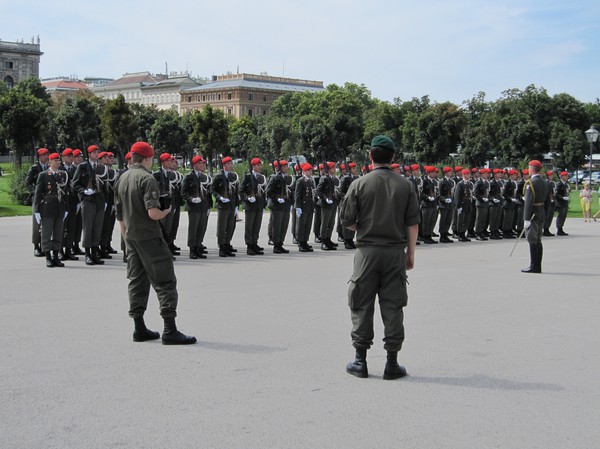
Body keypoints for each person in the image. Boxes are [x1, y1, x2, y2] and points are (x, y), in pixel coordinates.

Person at [340, 135, 420, 380]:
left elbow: (347, 220)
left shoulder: (359, 184)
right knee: (393, 306)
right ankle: (391, 363)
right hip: (394, 252)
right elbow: (412, 223)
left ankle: (360, 361)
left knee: (361, 304)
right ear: (393, 157)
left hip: (367, 253)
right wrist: (410, 253)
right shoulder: (406, 185)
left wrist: (364, 228)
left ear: (370, 156)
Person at [114, 141, 196, 345]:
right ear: (148, 158)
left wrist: (126, 241)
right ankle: (170, 329)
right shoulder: (146, 178)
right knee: (165, 281)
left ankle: (139, 327)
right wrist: (165, 212)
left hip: (132, 237)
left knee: (137, 281)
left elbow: (120, 216)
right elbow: (152, 213)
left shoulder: (122, 178)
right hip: (149, 237)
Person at [33, 152, 68, 268]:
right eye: (55, 160)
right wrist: (36, 210)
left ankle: (56, 256)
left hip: (59, 208)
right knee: (46, 233)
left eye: (59, 160)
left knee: (58, 233)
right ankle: (48, 257)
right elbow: (38, 193)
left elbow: (65, 193)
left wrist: (66, 208)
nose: (58, 162)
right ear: (50, 162)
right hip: (47, 207)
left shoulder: (62, 174)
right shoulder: (43, 175)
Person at [72, 145, 106, 265]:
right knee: (88, 227)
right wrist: (83, 191)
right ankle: (87, 254)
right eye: (94, 152)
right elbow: (74, 183)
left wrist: (105, 200)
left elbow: (105, 184)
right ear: (89, 154)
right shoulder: (83, 166)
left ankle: (95, 252)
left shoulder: (102, 167)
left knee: (97, 227)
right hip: (88, 200)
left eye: (98, 152)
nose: (97, 154)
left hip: (99, 200)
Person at [181, 155, 212, 259]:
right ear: (194, 165)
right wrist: (191, 199)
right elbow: (183, 192)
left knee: (201, 228)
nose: (202, 165)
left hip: (203, 206)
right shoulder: (189, 177)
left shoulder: (204, 177)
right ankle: (192, 249)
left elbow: (208, 192)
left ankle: (198, 247)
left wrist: (209, 205)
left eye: (202, 163)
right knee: (193, 229)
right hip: (193, 207)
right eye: (199, 163)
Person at [521, 160, 548, 274]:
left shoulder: (530, 182)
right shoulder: (544, 182)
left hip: (532, 214)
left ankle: (534, 266)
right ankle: (538, 265)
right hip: (540, 212)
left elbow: (528, 202)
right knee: (538, 240)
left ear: (532, 169)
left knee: (532, 240)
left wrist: (526, 218)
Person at [211, 156, 240, 257]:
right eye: (229, 164)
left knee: (231, 226)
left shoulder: (233, 176)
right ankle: (221, 246)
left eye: (231, 163)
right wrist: (219, 197)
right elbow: (212, 189)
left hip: (232, 204)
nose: (231, 165)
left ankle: (227, 244)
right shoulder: (219, 176)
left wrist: (237, 205)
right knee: (222, 227)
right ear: (224, 165)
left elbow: (236, 192)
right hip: (223, 205)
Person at [240, 158, 267, 255]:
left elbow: (263, 193)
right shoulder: (248, 177)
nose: (260, 167)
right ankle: (249, 245)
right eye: (258, 165)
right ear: (253, 166)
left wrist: (264, 205)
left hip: (259, 205)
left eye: (260, 165)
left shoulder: (261, 177)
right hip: (250, 206)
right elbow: (241, 191)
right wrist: (247, 198)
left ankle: (255, 243)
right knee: (249, 227)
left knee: (256, 226)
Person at [27, 148, 50, 257]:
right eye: (44, 155)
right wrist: (35, 192)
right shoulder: (34, 168)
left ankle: (44, 245)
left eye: (47, 154)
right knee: (37, 224)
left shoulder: (50, 168)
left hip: (48, 199)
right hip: (37, 200)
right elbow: (28, 183)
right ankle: (36, 246)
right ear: (40, 156)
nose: (46, 156)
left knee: (46, 224)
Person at [294, 163, 316, 252]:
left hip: (310, 206)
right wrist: (298, 207)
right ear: (304, 171)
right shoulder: (300, 181)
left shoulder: (311, 181)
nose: (310, 172)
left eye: (311, 170)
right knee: (301, 225)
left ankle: (305, 241)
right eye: (308, 171)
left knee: (308, 225)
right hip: (303, 206)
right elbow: (297, 195)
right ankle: (300, 243)